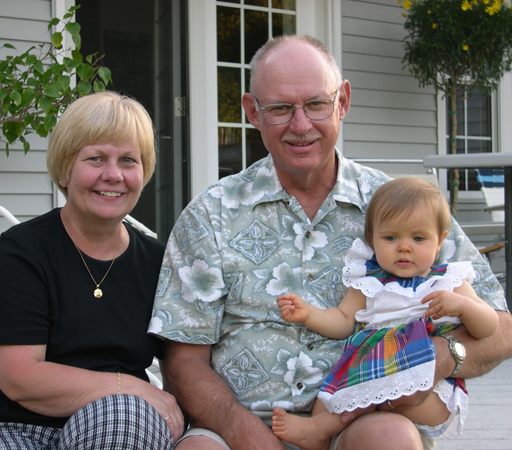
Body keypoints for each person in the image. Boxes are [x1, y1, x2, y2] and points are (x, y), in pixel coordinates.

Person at [147, 34, 512, 450]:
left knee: (391, 438)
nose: (300, 126)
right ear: (252, 111)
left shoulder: (399, 208)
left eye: (316, 104)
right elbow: (183, 361)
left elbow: (501, 328)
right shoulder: (210, 215)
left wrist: (437, 359)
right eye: (281, 108)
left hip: (360, 422)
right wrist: (248, 436)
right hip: (235, 431)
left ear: (342, 102)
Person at [0, 91, 184, 450]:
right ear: (65, 167)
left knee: (127, 419)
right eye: (96, 158)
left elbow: (185, 364)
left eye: (129, 161)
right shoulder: (23, 251)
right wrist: (131, 385)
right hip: (11, 425)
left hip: (113, 423)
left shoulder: (157, 262)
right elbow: (20, 379)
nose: (113, 175)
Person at [271, 177, 499, 450]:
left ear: (440, 241)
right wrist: (309, 315)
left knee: (364, 395)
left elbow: (489, 325)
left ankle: (320, 430)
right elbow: (344, 321)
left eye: (418, 238)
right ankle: (323, 429)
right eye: (390, 237)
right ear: (371, 239)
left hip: (428, 391)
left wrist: (463, 306)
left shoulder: (450, 282)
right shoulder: (370, 284)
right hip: (374, 370)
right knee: (328, 399)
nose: (404, 247)